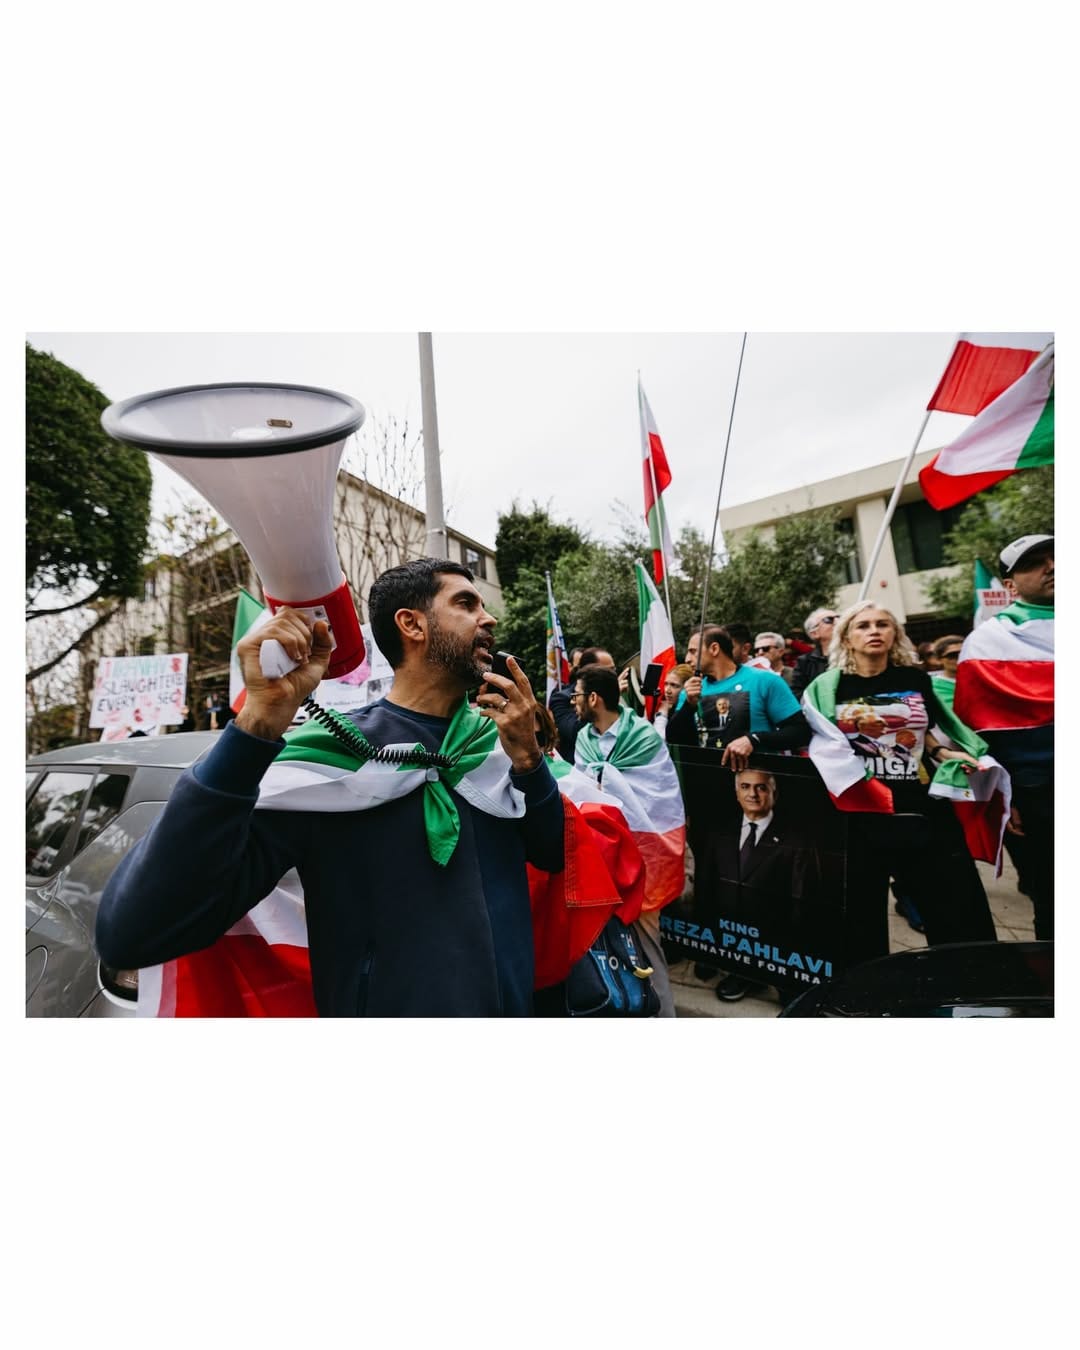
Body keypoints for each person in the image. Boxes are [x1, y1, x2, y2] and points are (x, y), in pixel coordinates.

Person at [96, 558, 566, 1016]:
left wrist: (529, 760)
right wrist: (255, 725)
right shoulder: (325, 761)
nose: (490, 618)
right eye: (467, 604)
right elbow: (135, 930)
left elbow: (552, 854)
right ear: (412, 624)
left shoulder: (497, 742)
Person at [803, 600, 998, 967]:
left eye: (882, 624)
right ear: (846, 638)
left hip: (920, 804)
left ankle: (967, 977)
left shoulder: (915, 679)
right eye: (862, 626)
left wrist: (944, 754)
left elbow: (930, 736)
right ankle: (863, 988)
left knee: (952, 899)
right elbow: (820, 743)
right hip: (858, 811)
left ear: (895, 634)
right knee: (857, 908)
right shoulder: (826, 687)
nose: (874, 631)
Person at [955, 534, 1054, 940]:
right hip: (1040, 792)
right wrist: (1003, 798)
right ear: (1009, 585)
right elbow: (974, 735)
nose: (1052, 566)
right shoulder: (986, 643)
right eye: (1035, 563)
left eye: (1057, 557)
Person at [573, 663, 686, 1016]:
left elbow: (660, 799)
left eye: (576, 695)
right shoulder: (583, 740)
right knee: (612, 946)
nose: (572, 702)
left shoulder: (643, 737)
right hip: (603, 857)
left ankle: (664, 1015)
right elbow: (582, 793)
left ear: (593, 698)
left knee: (650, 947)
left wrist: (608, 781)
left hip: (644, 858)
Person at [695, 769, 821, 1002]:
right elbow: (705, 884)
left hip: (775, 940)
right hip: (730, 931)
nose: (752, 794)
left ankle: (769, 981)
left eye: (761, 787)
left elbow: (801, 899)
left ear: (774, 793)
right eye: (745, 787)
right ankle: (741, 974)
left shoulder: (796, 839)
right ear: (736, 792)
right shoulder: (719, 831)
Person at [548, 645, 618, 762]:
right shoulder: (561, 698)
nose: (613, 677)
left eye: (613, 670)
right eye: (607, 671)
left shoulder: (637, 733)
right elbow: (574, 733)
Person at [790, 606, 839, 700]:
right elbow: (798, 695)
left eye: (839, 617)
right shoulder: (804, 662)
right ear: (814, 633)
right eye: (829, 620)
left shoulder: (856, 655)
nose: (838, 622)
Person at [653, 661, 693, 736]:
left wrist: (662, 715)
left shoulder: (689, 714)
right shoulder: (669, 709)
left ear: (686, 688)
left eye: (674, 685)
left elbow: (659, 741)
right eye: (666, 684)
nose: (667, 690)